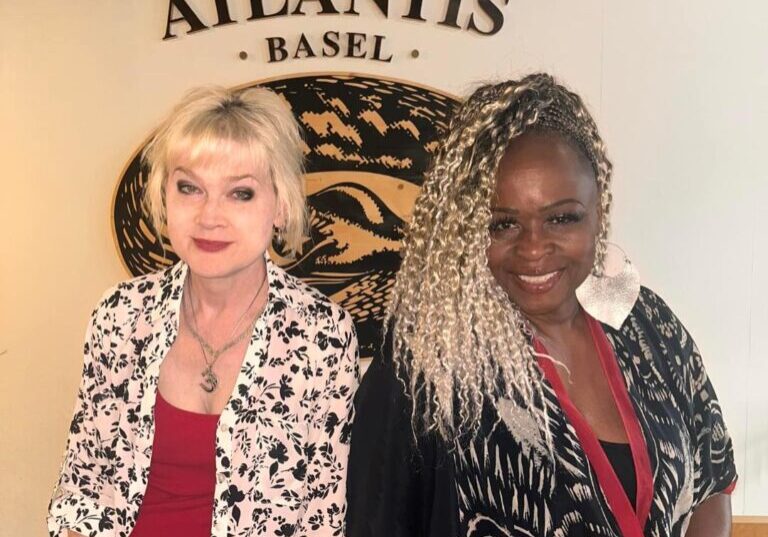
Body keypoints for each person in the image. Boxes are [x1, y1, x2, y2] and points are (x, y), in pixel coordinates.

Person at [347, 73, 736, 537]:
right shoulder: (424, 365)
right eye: (502, 225)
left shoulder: (645, 322)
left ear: (598, 212)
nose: (534, 250)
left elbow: (713, 479)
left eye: (561, 218)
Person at [48, 86, 359, 537]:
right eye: (190, 188)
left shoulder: (323, 335)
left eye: (241, 194)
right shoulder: (119, 315)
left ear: (281, 205)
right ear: (164, 195)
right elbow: (82, 490)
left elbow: (320, 520)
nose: (210, 216)